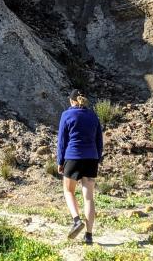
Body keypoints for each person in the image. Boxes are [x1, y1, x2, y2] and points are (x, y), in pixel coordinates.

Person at [56, 89, 103, 244]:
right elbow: (99, 140)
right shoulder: (93, 116)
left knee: (68, 191)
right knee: (88, 198)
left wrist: (60, 161)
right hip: (91, 158)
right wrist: (97, 158)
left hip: (73, 157)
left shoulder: (67, 115)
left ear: (72, 101)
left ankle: (76, 221)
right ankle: (89, 235)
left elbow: (62, 141)